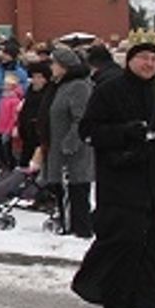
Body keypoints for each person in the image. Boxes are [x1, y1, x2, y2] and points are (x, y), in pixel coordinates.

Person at [73, 32, 155, 308]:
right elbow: (88, 131)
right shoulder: (109, 91)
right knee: (126, 240)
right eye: (143, 58)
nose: (149, 64)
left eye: (154, 59)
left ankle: (147, 304)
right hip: (121, 181)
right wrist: (125, 132)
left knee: (153, 245)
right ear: (130, 61)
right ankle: (114, 295)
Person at [43, 46, 94, 238]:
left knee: (76, 192)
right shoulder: (60, 85)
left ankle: (78, 230)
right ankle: (67, 224)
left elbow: (81, 118)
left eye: (54, 63)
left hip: (72, 153)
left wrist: (70, 143)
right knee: (62, 191)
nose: (51, 67)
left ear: (64, 66)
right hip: (58, 149)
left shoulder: (78, 86)